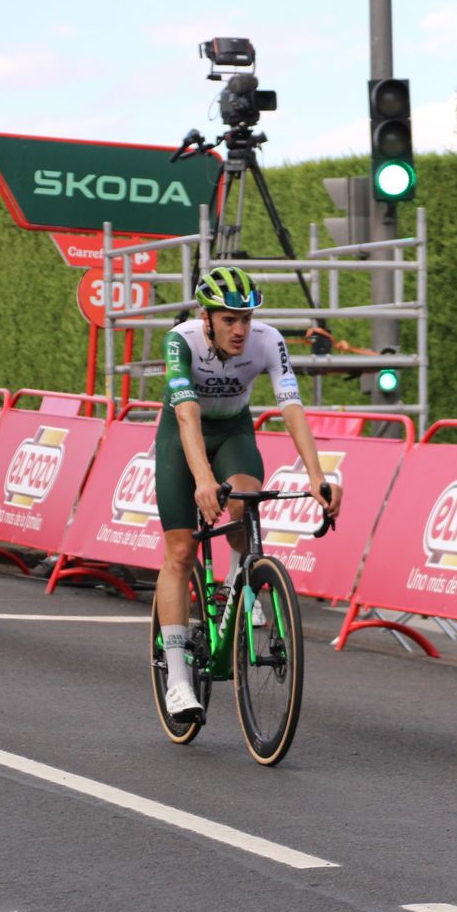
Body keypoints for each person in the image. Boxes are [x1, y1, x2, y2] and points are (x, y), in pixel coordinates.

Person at [153, 266, 341, 721]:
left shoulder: (267, 340)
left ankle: (241, 587)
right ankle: (178, 677)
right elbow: (187, 417)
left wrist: (318, 476)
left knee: (244, 501)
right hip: (183, 438)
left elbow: (290, 406)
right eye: (229, 320)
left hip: (235, 430)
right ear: (207, 317)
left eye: (246, 318)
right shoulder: (182, 341)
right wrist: (201, 479)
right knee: (181, 552)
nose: (240, 329)